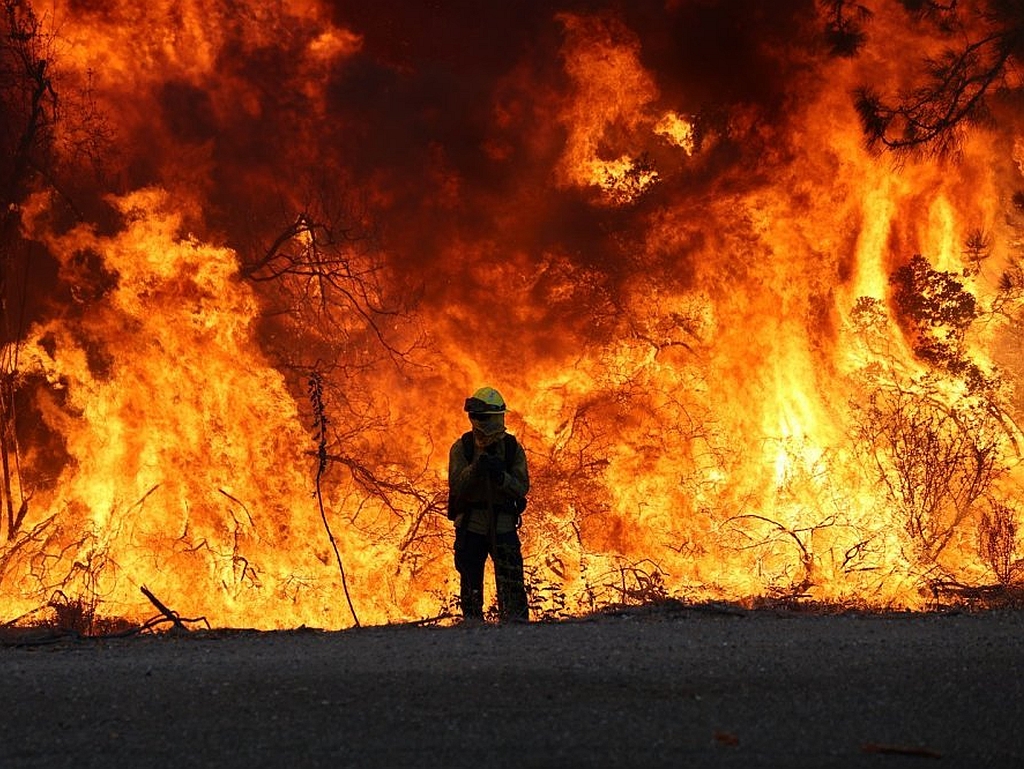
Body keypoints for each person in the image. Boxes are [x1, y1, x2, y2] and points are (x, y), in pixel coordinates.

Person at [447, 386, 529, 622]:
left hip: (503, 526)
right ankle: (473, 628)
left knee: (512, 583)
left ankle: (518, 627)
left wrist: (501, 477)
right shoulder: (463, 447)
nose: (491, 424)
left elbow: (522, 487)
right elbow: (457, 486)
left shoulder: (512, 448)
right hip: (472, 526)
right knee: (471, 585)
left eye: (494, 418)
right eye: (486, 418)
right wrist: (476, 469)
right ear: (474, 418)